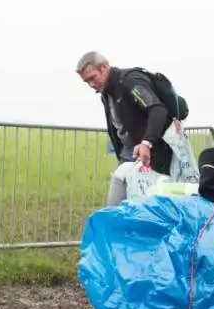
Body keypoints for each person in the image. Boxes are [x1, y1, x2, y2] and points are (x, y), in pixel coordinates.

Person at [76, 51, 181, 206]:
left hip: (152, 154)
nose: (91, 85)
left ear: (104, 67)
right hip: (129, 155)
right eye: (87, 82)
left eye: (93, 78)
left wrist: (147, 143)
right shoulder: (106, 91)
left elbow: (158, 110)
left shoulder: (129, 81)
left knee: (146, 208)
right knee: (125, 207)